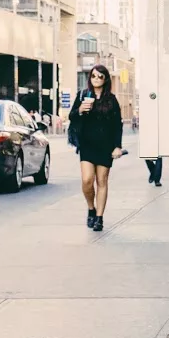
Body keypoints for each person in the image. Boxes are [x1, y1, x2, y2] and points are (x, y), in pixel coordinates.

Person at [67, 65, 124, 231]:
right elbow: (71, 116)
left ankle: (99, 218)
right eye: (94, 76)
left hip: (106, 146)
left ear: (105, 79)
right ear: (90, 78)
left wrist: (117, 147)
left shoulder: (111, 100)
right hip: (87, 145)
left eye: (100, 76)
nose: (97, 79)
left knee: (102, 181)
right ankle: (90, 208)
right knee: (87, 180)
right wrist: (80, 110)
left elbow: (117, 125)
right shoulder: (83, 95)